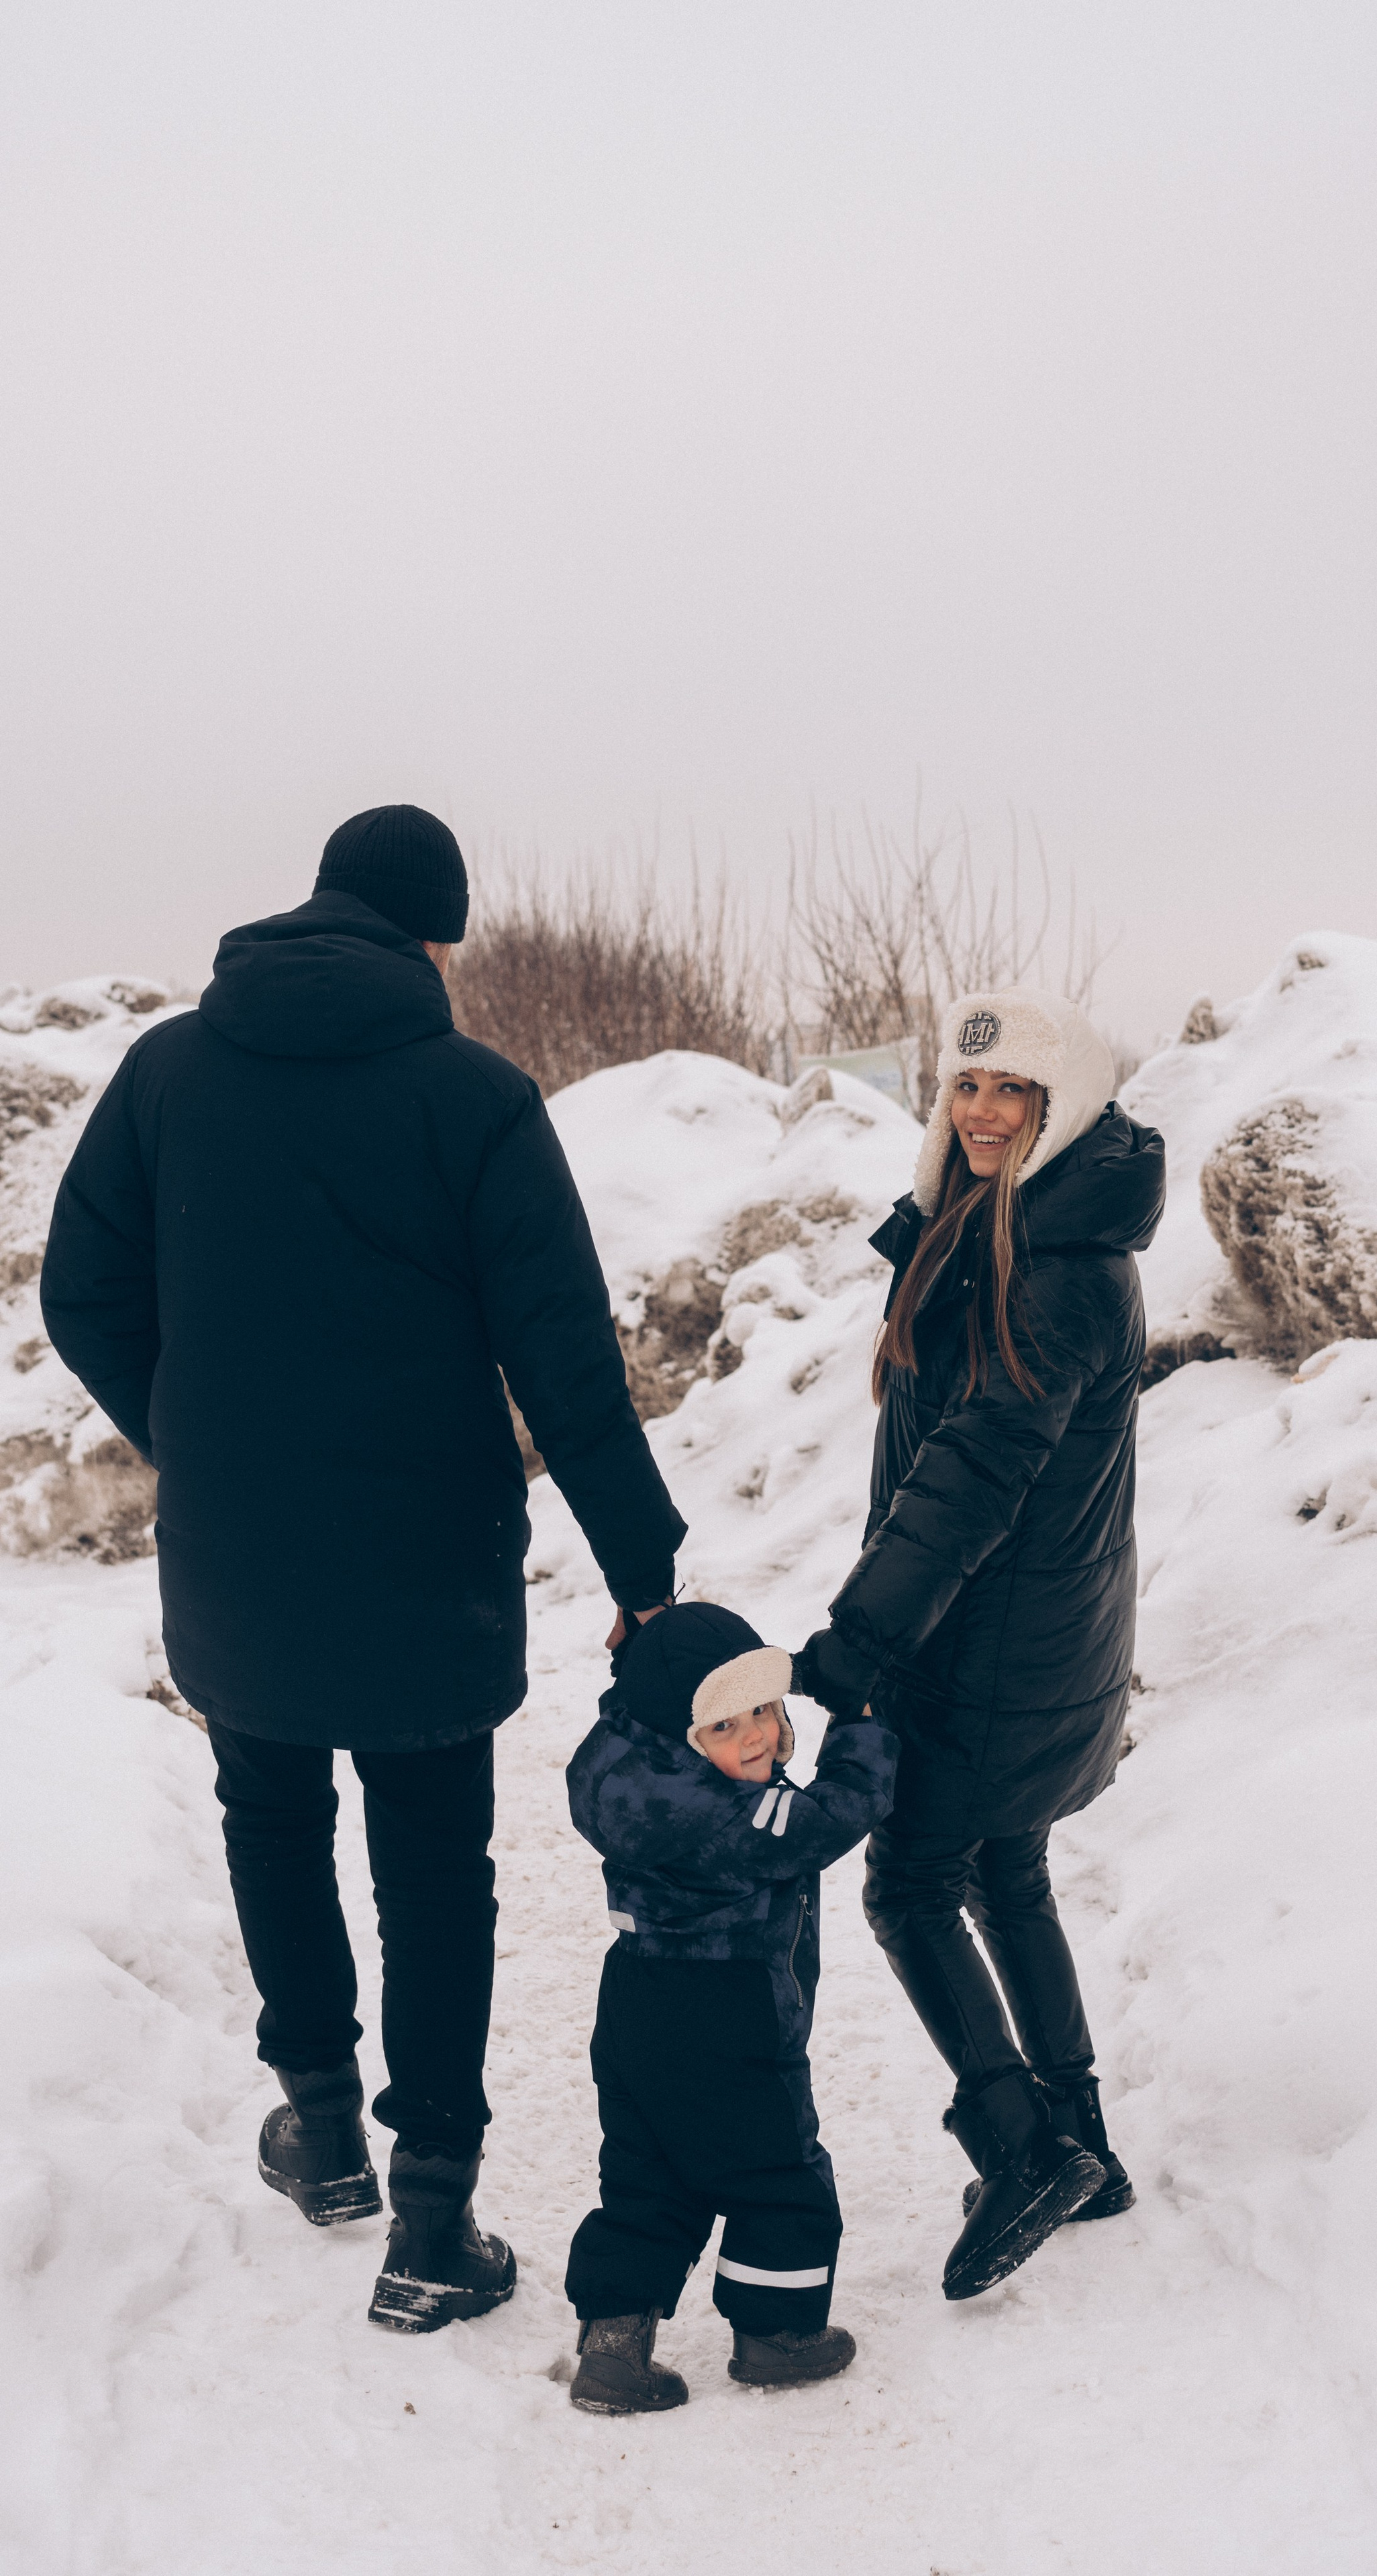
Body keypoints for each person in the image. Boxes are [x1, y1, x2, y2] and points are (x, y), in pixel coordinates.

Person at [39, 805, 685, 2334]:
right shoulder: (473, 1097)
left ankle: (320, 2130)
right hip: (425, 1549)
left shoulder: (164, 1073)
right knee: (431, 1868)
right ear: (435, 936)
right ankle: (434, 2218)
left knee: (269, 1813)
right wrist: (644, 1566)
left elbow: (83, 1291)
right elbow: (566, 1363)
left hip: (237, 1544)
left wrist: (188, 1433)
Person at [793, 986, 1166, 2302]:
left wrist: (854, 1639)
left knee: (908, 1881)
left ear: (1061, 1108)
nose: (985, 1111)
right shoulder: (990, 1229)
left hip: (992, 1636)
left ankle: (1016, 2150)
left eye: (1014, 1091)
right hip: (1021, 1622)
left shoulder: (1054, 1267)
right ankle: (1081, 2141)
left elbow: (967, 1476)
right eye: (967, 1086)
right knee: (1003, 1865)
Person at [564, 1601, 895, 2413]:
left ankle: (614, 2342)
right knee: (776, 2170)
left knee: (646, 2174)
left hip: (637, 2005)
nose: (753, 1737)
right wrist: (854, 1720)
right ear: (682, 1740)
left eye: (764, 1711)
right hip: (732, 2012)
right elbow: (830, 1818)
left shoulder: (626, 1775)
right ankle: (776, 2334)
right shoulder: (727, 1816)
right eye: (723, 1727)